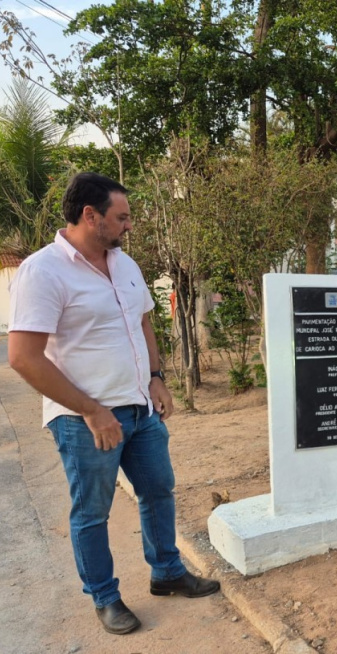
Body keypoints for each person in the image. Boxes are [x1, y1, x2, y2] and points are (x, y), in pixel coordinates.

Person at [7, 172, 220, 636]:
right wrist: (91, 409)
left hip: (141, 408)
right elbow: (23, 358)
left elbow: (142, 322)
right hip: (85, 421)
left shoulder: (124, 263)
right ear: (90, 215)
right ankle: (104, 597)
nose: (128, 226)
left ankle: (167, 572)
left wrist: (157, 378)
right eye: (121, 217)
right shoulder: (42, 271)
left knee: (159, 490)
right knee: (92, 512)